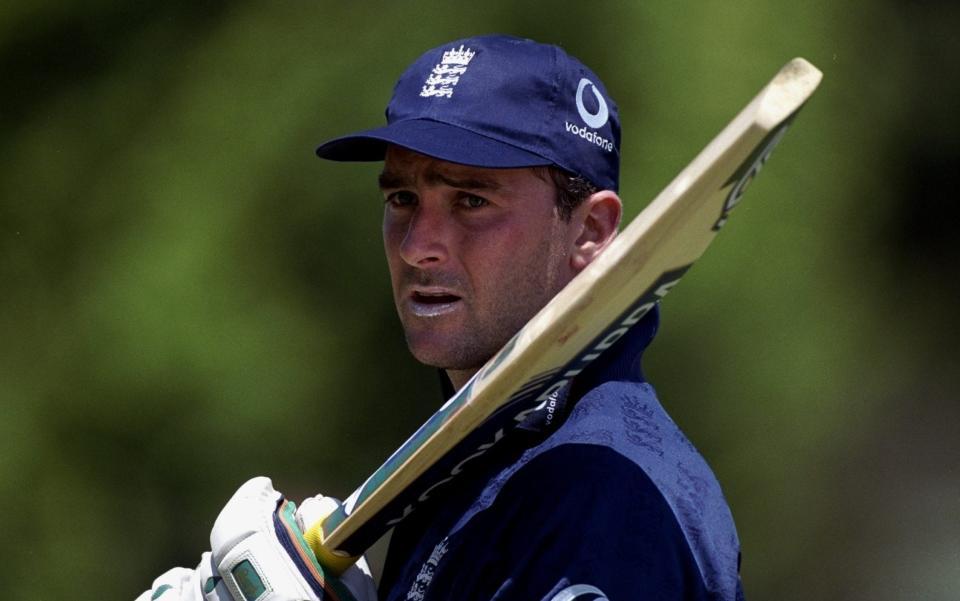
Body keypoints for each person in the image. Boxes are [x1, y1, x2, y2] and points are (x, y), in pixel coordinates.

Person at [138, 34, 744, 601]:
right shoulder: (469, 464)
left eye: (471, 200)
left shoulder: (600, 488)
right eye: (402, 198)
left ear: (589, 231)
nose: (415, 246)